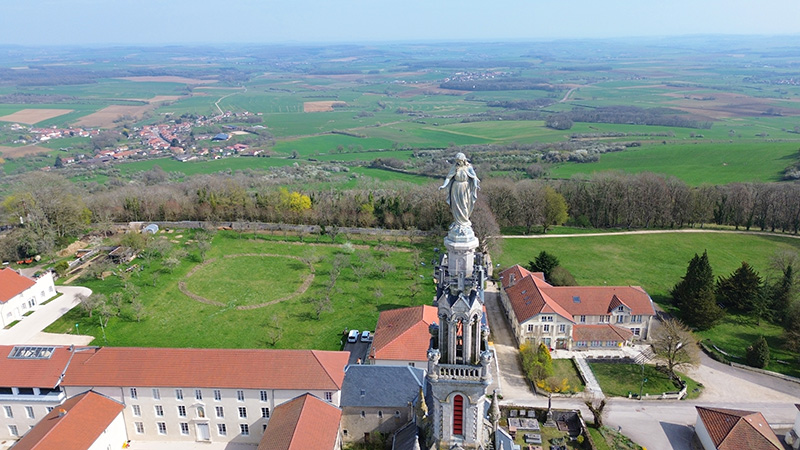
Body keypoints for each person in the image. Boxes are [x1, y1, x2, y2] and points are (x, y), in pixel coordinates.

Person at [439, 153, 480, 229]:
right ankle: (457, 222)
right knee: (456, 206)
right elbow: (448, 177)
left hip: (465, 188)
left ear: (464, 160)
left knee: (465, 204)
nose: (459, 162)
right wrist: (444, 185)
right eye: (457, 161)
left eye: (460, 161)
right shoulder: (455, 167)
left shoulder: (468, 167)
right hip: (456, 188)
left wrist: (475, 185)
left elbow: (474, 177)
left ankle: (464, 221)